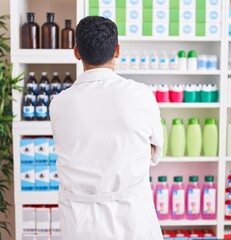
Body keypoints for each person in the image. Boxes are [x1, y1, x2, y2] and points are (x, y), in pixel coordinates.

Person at [49, 16, 164, 240]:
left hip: (79, 225)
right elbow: (152, 151)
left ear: (76, 52)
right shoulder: (140, 95)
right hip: (132, 220)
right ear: (117, 50)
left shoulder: (59, 103)